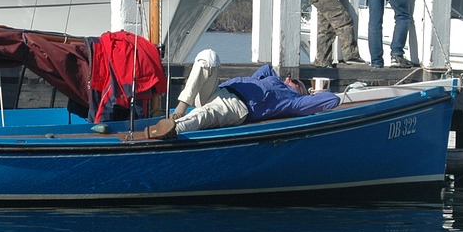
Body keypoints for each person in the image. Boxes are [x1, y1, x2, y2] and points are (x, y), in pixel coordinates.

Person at [145, 49, 340, 138]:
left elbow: (332, 99)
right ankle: (180, 109)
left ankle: (173, 128)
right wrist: (277, 79)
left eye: (295, 82)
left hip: (236, 106)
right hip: (218, 91)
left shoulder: (291, 101)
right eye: (289, 78)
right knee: (209, 57)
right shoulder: (270, 80)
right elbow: (266, 68)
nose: (290, 80)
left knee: (204, 115)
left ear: (300, 91)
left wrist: (313, 93)